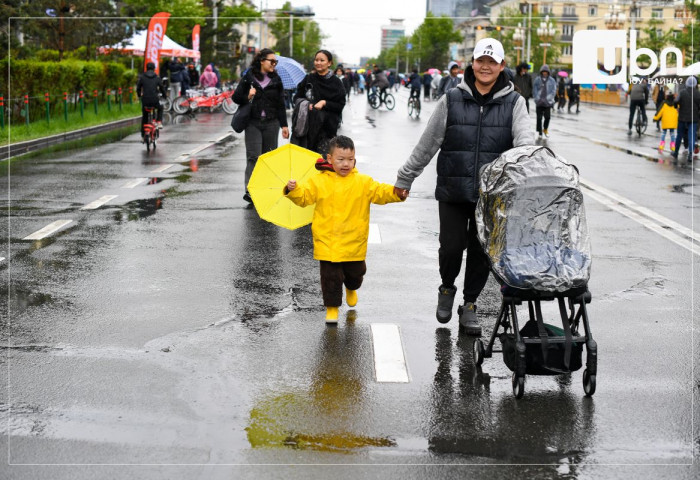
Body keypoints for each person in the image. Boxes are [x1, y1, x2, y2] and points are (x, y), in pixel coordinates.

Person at [394, 38, 534, 335]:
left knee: (482, 252)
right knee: (452, 247)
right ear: (473, 63)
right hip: (453, 190)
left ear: (501, 66)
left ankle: (469, 304)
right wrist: (406, 177)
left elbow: (525, 144)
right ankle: (447, 288)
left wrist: (526, 176)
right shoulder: (452, 99)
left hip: (493, 195)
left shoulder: (515, 103)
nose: (485, 66)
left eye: (492, 62)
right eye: (481, 61)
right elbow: (428, 142)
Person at [285, 135, 407, 323]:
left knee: (355, 274)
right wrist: (293, 190)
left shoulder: (363, 182)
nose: (345, 164)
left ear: (355, 160)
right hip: (328, 241)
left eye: (350, 160)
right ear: (329, 159)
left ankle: (351, 287)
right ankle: (332, 308)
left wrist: (396, 192)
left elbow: (380, 192)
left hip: (354, 241)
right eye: (340, 159)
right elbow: (304, 197)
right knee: (330, 278)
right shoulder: (318, 181)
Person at [233, 48, 290, 203]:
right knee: (253, 157)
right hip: (253, 123)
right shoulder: (249, 77)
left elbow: (280, 104)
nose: (274, 64)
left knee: (268, 158)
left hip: (272, 123)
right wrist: (248, 95)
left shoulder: (276, 80)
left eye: (275, 62)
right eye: (271, 61)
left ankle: (266, 188)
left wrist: (284, 125)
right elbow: (236, 98)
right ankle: (250, 190)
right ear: (261, 61)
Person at [291, 49, 346, 158]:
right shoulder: (308, 79)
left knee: (322, 164)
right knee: (304, 162)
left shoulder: (336, 83)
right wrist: (306, 104)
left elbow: (340, 105)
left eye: (322, 60)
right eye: (316, 60)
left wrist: (324, 103)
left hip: (326, 131)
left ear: (329, 63)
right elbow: (297, 97)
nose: (318, 63)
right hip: (307, 129)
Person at [136, 62, 167, 138]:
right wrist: (164, 96)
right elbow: (162, 88)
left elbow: (138, 88)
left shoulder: (142, 77)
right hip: (154, 100)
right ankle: (159, 121)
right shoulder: (157, 77)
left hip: (145, 100)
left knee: (145, 115)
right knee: (160, 107)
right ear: (154, 68)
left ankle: (143, 135)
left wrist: (140, 95)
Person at [672, 76, 699, 161]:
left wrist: (676, 106)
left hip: (682, 117)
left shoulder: (682, 92)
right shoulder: (698, 93)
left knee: (679, 135)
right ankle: (690, 154)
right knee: (691, 136)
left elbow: (676, 101)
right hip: (694, 118)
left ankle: (675, 152)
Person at [533, 64, 556, 138]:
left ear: (548, 72)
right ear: (541, 72)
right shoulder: (537, 79)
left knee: (547, 117)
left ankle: (545, 129)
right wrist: (537, 98)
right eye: (543, 71)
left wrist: (549, 98)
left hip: (548, 102)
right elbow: (534, 89)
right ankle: (539, 132)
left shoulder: (552, 80)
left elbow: (553, 90)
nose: (544, 73)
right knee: (539, 118)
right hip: (539, 102)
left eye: (546, 72)